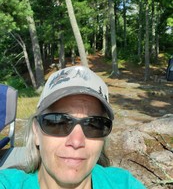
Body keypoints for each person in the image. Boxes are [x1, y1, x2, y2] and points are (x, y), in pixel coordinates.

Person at [0, 65, 146, 189]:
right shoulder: (7, 183)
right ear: (36, 132)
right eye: (58, 122)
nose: (76, 142)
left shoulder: (123, 183)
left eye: (94, 124)